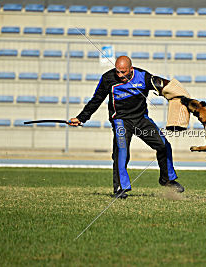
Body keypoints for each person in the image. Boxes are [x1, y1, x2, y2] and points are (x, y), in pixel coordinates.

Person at [69, 56, 184, 199]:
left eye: (124, 72)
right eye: (118, 72)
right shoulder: (108, 79)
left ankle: (167, 179)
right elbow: (96, 99)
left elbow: (165, 87)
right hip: (121, 120)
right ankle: (120, 189)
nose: (120, 75)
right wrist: (81, 118)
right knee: (121, 151)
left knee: (163, 144)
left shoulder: (143, 76)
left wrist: (181, 97)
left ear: (131, 69)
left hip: (141, 119)